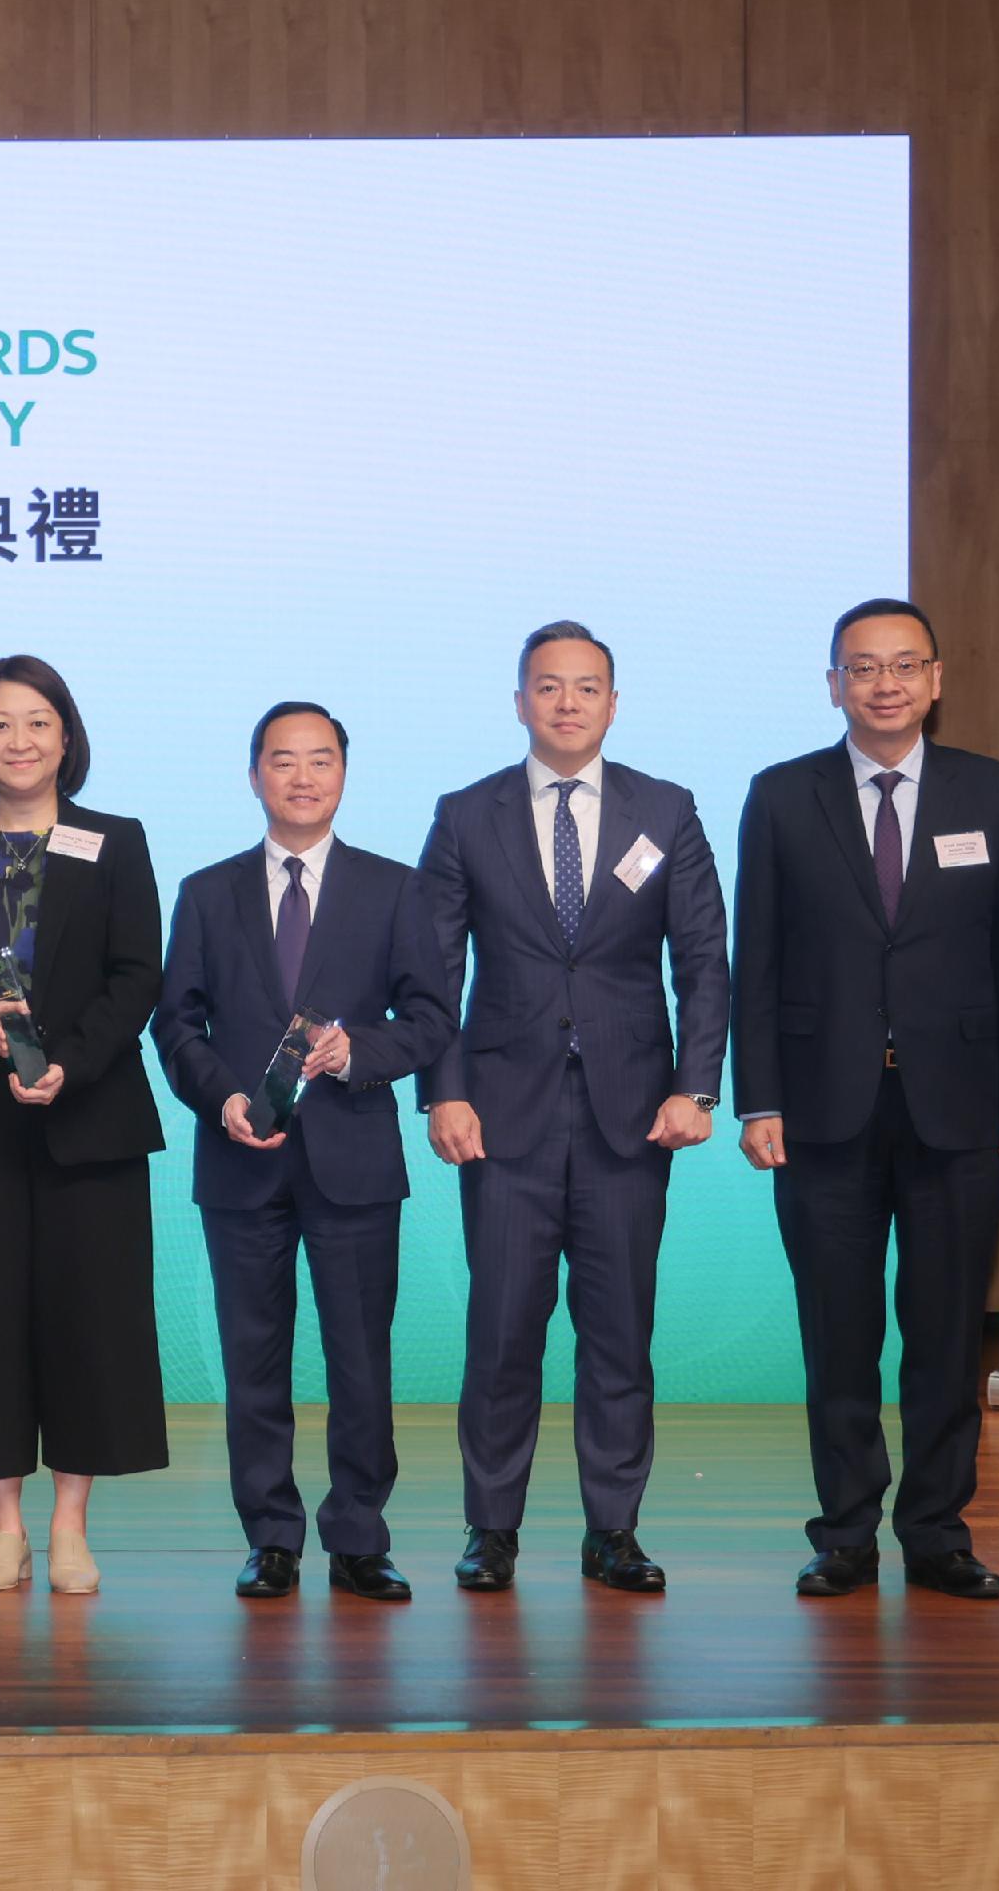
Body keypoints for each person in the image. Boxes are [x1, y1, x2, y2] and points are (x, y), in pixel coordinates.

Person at [733, 598, 999, 1603]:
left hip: (959, 1112)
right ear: (834, 683)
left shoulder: (989, 793)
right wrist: (758, 1100)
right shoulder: (782, 796)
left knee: (949, 1336)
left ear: (935, 680)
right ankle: (845, 1536)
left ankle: (936, 1531)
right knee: (839, 1334)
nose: (883, 684)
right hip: (821, 1112)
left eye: (902, 666)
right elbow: (757, 963)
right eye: (861, 668)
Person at [413, 621, 728, 1596]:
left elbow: (703, 959)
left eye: (585, 688)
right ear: (519, 702)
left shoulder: (664, 809)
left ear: (612, 703)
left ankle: (613, 1530)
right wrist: (443, 1092)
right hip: (501, 1116)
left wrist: (696, 1083)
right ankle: (491, 1528)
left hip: (633, 1116)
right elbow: (434, 971)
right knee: (501, 1330)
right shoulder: (466, 814)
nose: (565, 704)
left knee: (618, 1330)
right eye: (546, 688)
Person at [153, 702, 458, 1605]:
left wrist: (360, 1051)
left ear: (344, 775)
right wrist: (225, 1097)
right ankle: (272, 1536)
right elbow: (176, 1023)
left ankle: (360, 1536)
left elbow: (433, 1018)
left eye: (320, 760)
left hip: (355, 1157)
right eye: (282, 761)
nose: (301, 777)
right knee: (255, 1359)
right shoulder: (208, 891)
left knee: (361, 1357)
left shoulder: (393, 888)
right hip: (242, 1157)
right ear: (254, 776)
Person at [0, 656, 168, 1595]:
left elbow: (138, 975)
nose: (18, 742)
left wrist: (73, 1063)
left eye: (37, 723)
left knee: (88, 1324)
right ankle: (4, 1527)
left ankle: (70, 1528)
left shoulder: (116, 840)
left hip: (88, 1116)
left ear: (67, 737)